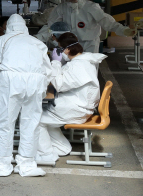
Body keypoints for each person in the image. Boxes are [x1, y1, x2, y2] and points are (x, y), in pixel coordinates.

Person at [0, 14, 52, 177]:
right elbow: (47, 69)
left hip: (12, 79)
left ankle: (2, 163)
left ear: (9, 27)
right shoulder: (37, 42)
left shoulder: (3, 40)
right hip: (36, 79)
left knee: (5, 121)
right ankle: (27, 164)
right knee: (31, 122)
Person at [36, 33, 107, 162]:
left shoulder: (78, 66)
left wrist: (55, 63)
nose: (59, 52)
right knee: (45, 117)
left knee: (36, 119)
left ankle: (45, 154)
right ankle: (61, 148)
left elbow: (58, 84)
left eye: (60, 49)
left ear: (67, 49)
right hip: (81, 105)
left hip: (78, 109)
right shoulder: (84, 61)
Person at [43, 0, 136, 53]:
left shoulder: (91, 7)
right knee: (71, 71)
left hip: (90, 44)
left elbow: (106, 21)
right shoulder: (62, 8)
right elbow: (52, 26)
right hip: (70, 44)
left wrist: (123, 30)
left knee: (89, 71)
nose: (70, 1)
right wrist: (40, 37)